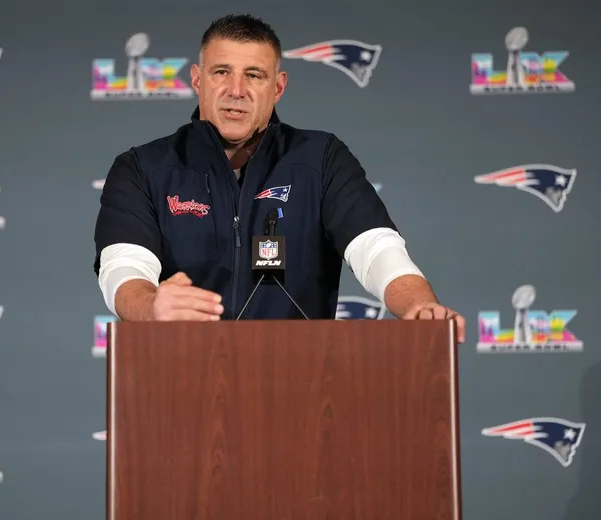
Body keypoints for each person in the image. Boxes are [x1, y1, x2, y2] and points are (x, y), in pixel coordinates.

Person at [93, 14, 465, 343]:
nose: (235, 90)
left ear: (278, 86)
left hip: (300, 385)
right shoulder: (143, 167)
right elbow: (123, 267)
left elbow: (375, 246)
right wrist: (152, 305)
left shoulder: (320, 159)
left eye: (253, 75)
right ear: (197, 79)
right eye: (221, 72)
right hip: (178, 385)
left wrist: (420, 305)